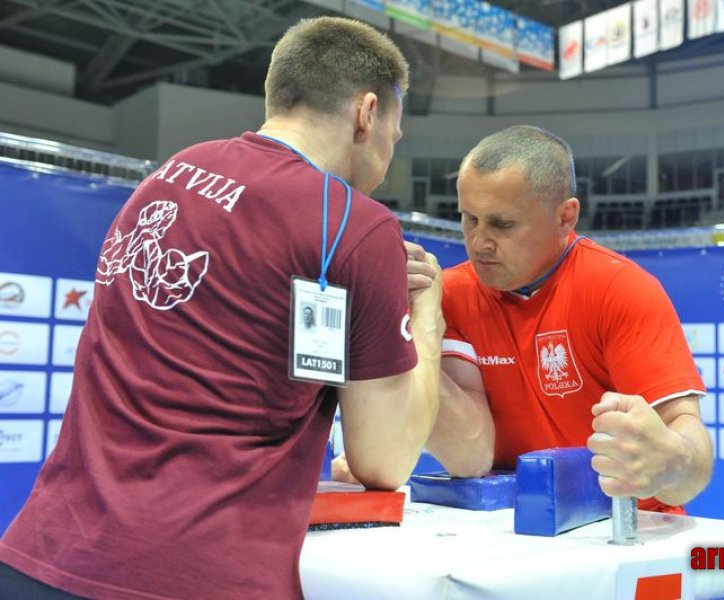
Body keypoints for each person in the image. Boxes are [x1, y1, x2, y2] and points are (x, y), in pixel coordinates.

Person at [0, 16, 443, 600]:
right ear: (366, 112)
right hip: (195, 575)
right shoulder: (354, 224)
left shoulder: (166, 178)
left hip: (42, 553)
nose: (388, 154)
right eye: (395, 133)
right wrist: (428, 315)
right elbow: (384, 461)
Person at [337, 125, 712, 513]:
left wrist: (673, 462)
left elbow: (691, 450)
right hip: (509, 533)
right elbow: (469, 453)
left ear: (565, 216)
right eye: (469, 219)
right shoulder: (446, 294)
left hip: (630, 533)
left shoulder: (620, 289)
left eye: (502, 224)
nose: (479, 241)